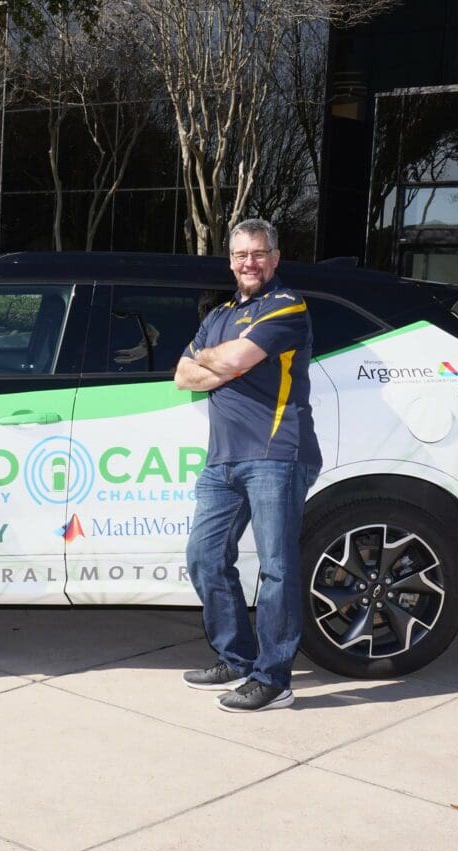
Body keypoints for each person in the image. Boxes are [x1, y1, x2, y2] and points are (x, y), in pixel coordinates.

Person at [174, 218, 322, 713]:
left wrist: (217, 363)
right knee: (205, 557)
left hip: (277, 455)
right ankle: (235, 657)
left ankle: (274, 679)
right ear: (231, 261)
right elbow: (182, 373)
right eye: (241, 255)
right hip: (224, 461)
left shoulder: (287, 306)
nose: (249, 263)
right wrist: (221, 362)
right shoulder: (218, 313)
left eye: (258, 254)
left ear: (275, 258)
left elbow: (234, 361)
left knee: (277, 569)